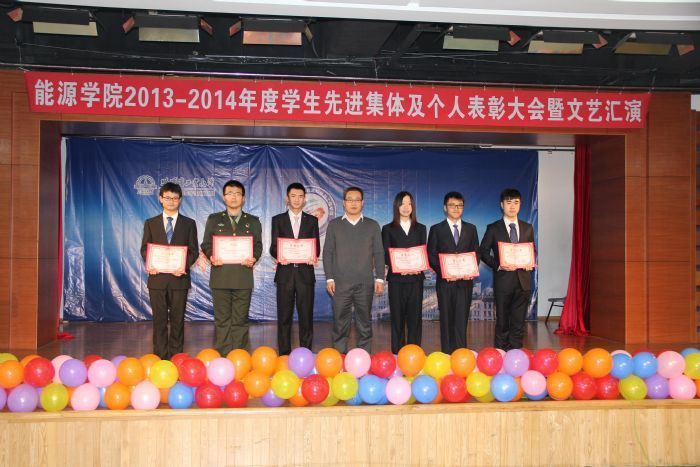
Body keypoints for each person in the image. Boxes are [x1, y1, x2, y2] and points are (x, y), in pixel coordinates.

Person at [200, 180, 262, 355]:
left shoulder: (253, 221)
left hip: (243, 277)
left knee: (240, 320)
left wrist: (254, 257)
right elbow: (206, 244)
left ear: (243, 198)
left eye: (237, 193)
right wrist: (211, 255)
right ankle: (224, 356)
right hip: (220, 277)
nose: (234, 197)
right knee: (222, 320)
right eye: (230, 193)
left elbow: (258, 245)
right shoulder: (213, 219)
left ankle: (239, 356)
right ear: (224, 197)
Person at [140, 182, 199, 360]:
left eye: (175, 198)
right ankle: (160, 357)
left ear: (180, 200)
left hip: (179, 280)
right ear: (160, 199)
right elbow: (145, 249)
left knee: (177, 320)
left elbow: (194, 251)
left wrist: (182, 266)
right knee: (159, 321)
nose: (171, 201)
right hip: (157, 280)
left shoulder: (189, 223)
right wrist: (151, 263)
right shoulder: (150, 223)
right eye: (167, 197)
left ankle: (176, 357)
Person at [323, 186, 385, 353]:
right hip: (340, 284)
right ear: (344, 203)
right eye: (350, 200)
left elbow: (379, 253)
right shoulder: (334, 225)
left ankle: (363, 357)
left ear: (362, 203)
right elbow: (327, 252)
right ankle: (339, 358)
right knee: (340, 323)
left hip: (365, 283)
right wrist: (330, 278)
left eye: (357, 200)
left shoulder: (372, 225)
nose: (353, 203)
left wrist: (380, 278)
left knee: (364, 323)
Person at [479, 188, 535, 351]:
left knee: (519, 323)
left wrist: (530, 261)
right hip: (503, 282)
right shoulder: (493, 228)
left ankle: (515, 355)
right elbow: (483, 252)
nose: (512, 206)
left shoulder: (528, 228)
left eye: (516, 202)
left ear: (520, 205)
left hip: (523, 282)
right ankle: (501, 355)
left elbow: (532, 250)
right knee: (502, 322)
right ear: (502, 205)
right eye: (509, 202)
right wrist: (498, 265)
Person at [269, 183, 320, 355]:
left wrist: (313, 255)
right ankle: (284, 354)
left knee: (306, 317)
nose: (297, 200)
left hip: (305, 275)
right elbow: (273, 247)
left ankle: (306, 353)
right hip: (285, 275)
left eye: (300, 196)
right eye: (293, 196)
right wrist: (279, 255)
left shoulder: (312, 221)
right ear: (287, 198)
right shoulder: (278, 220)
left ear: (304, 199)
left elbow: (316, 248)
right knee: (284, 317)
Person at [427, 191, 479, 354]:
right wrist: (445, 272)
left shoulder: (471, 229)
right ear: (445, 207)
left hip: (465, 283)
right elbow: (431, 255)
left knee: (462, 320)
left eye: (459, 205)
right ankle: (447, 355)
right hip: (445, 283)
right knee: (446, 320)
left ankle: (460, 355)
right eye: (452, 205)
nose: (456, 209)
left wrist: (470, 270)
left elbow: (476, 253)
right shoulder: (436, 229)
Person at [381, 191, 427, 354]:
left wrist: (414, 266)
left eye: (409, 203)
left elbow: (422, 252)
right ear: (396, 206)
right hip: (396, 280)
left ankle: (414, 354)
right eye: (402, 203)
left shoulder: (421, 228)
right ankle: (397, 354)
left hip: (416, 279)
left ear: (413, 206)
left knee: (415, 318)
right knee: (397, 318)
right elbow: (385, 254)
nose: (406, 207)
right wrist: (400, 267)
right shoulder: (388, 229)